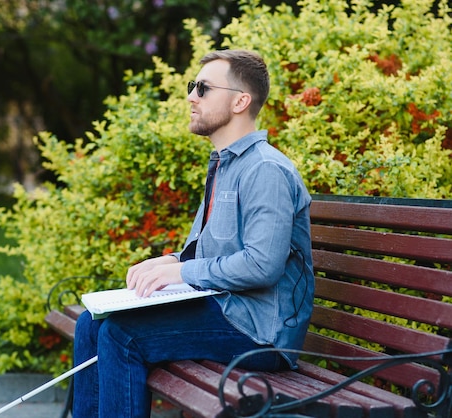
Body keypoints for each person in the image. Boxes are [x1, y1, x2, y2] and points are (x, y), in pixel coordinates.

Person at [72, 49, 314, 418]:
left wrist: (181, 272)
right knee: (92, 322)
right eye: (192, 87)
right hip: (227, 310)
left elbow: (263, 266)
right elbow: (203, 252)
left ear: (240, 101)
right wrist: (169, 262)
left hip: (261, 333)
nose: (190, 96)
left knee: (123, 335)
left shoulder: (265, 170)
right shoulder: (224, 164)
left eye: (203, 88)